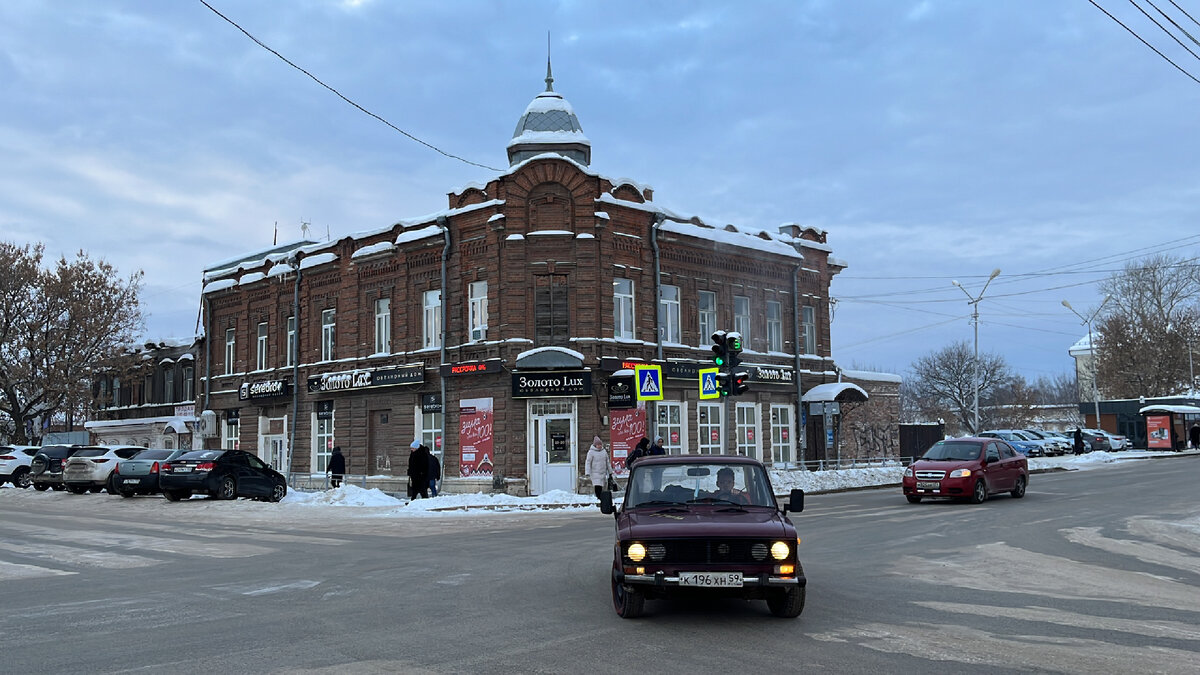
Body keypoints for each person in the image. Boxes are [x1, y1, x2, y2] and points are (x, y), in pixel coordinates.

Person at [584, 435, 613, 500]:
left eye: (600, 444)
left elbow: (607, 462)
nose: (600, 446)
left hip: (603, 472)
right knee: (597, 486)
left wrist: (610, 471)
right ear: (595, 445)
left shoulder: (604, 451)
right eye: (598, 445)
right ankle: (599, 497)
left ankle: (601, 498)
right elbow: (588, 462)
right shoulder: (591, 452)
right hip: (595, 473)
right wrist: (587, 472)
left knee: (603, 486)